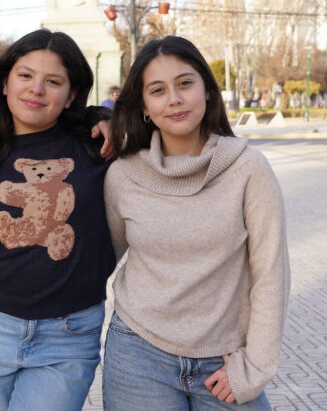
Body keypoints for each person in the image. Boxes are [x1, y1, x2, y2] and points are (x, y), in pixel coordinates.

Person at [102, 36, 290, 410]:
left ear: (207, 90)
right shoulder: (123, 175)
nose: (174, 98)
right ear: (144, 106)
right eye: (158, 90)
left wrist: (254, 368)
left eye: (185, 83)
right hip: (139, 354)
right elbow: (98, 262)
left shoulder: (248, 168)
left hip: (225, 360)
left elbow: (271, 274)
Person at [0, 30, 117, 410]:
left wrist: (108, 115)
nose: (36, 90)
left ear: (72, 95)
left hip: (69, 335)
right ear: (6, 82)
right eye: (26, 76)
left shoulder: (98, 145)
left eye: (54, 81)